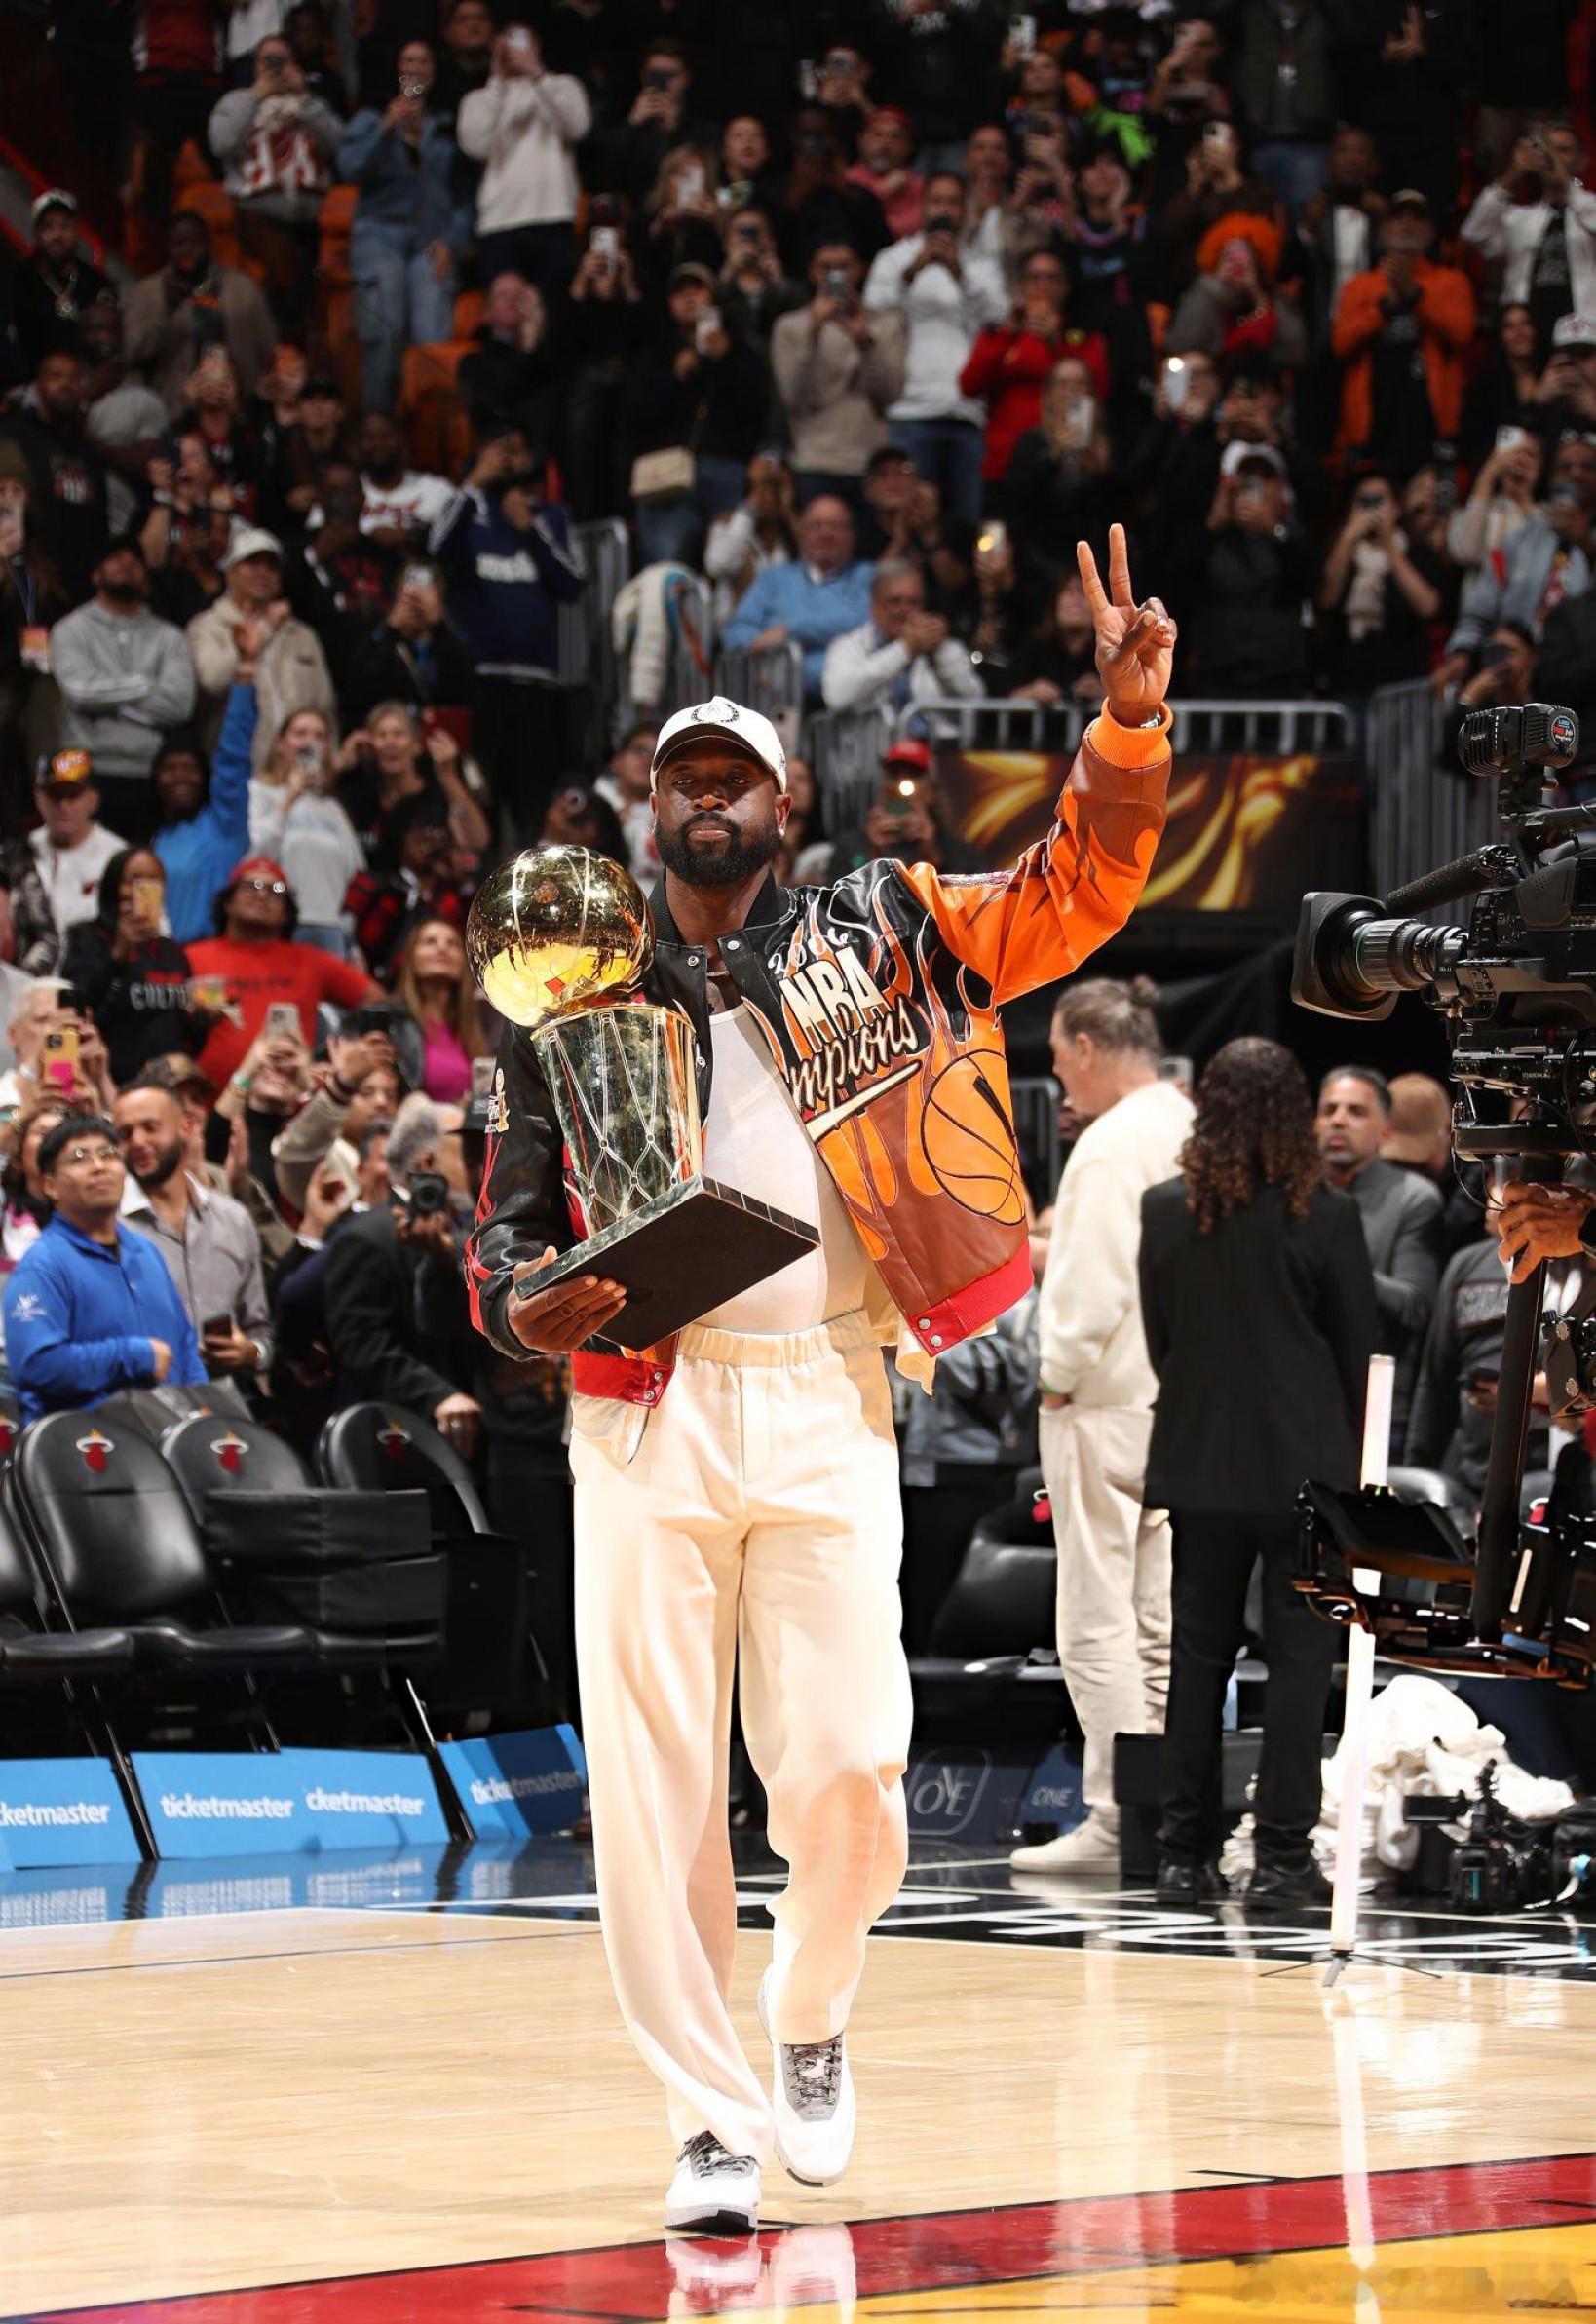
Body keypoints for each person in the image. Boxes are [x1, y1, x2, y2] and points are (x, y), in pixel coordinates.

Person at [467, 525, 1175, 2231]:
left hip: (828, 1386)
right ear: (648, 805)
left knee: (853, 1763)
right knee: (651, 1790)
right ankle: (706, 2118)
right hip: (639, 1406)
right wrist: (520, 1312)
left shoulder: (888, 925)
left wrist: (1126, 730)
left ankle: (809, 2010)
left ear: (785, 806)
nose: (707, 797)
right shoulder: (571, 983)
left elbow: (1070, 893)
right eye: (681, 776)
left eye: (736, 776)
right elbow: (501, 1225)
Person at [1139, 1039, 1377, 1908]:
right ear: (1294, 1112)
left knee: (1197, 1660)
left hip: (1199, 1466)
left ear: (1208, 1107)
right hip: (1306, 1476)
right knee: (1301, 1661)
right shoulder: (1329, 1215)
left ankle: (1183, 1856)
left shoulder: (1165, 1209)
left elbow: (1162, 1341)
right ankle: (1280, 1858)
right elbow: (1358, 1351)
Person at [1011, 978, 1194, 1876]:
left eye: (1057, 1057)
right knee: (1156, 1621)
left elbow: (1092, 1290)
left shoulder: (1111, 1143)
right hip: (1176, 1403)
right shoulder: (1186, 1122)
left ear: (1086, 1046)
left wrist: (1053, 1378)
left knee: (1095, 1620)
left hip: (1104, 1402)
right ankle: (1161, 1813)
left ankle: (1119, 1815)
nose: (1058, 1077)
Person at [3, 1113, 207, 1424]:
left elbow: (185, 1345)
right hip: (91, 1444)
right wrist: (133, 1356)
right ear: (50, 1185)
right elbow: (36, 1365)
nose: (99, 1166)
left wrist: (201, 1403)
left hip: (169, 1437)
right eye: (79, 1158)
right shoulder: (42, 1265)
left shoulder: (146, 1252)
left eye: (109, 1154)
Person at [428, 433, 583, 827]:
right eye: (498, 449)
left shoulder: (548, 517)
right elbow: (436, 549)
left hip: (538, 686)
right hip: (481, 682)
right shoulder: (465, 511)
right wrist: (473, 484)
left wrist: (530, 530)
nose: (507, 459)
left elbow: (573, 582)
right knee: (480, 798)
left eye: (516, 450)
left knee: (533, 804)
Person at [324, 1090, 481, 1445]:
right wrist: (437, 1394)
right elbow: (362, 1344)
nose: (479, 1169)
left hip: (470, 1424)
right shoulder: (365, 1238)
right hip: (395, 1434)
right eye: (467, 1157)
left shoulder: (467, 1228)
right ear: (428, 1163)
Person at [862, 171, 1007, 529]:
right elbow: (873, 311)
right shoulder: (894, 258)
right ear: (923, 207)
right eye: (937, 201)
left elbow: (998, 319)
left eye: (953, 202)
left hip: (967, 411)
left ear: (965, 210)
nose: (945, 210)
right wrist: (912, 272)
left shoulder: (981, 265)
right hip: (910, 409)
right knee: (907, 522)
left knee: (964, 526)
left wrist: (960, 273)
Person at [337, 42, 474, 413]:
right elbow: (350, 168)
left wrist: (452, 242)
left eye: (424, 60)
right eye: (408, 60)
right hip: (379, 236)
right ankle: (377, 424)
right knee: (384, 329)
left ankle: (428, 435)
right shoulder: (369, 120)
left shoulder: (448, 128)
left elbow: (465, 198)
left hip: (430, 241)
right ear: (397, 69)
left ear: (434, 71)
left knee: (431, 338)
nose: (416, 66)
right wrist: (386, 126)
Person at [1315, 1066, 1446, 1447]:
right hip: (1298, 1400)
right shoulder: (1290, 1196)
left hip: (1375, 1410)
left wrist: (1342, 1267)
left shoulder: (1413, 1198)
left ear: (1386, 1131)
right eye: (1329, 1110)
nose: (1339, 1120)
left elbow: (1416, 1306)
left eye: (1356, 1111)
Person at [115, 1077, 272, 1380]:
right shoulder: (107, 1228)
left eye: (150, 1127)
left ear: (185, 1127)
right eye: (125, 1133)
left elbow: (260, 1331)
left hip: (230, 1394)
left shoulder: (234, 1219)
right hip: (147, 1397)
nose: (137, 1141)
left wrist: (251, 1353)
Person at [185, 853, 375, 1091]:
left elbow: (378, 1002)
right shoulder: (192, 957)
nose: (262, 894)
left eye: (276, 890)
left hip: (286, 1101)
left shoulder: (312, 962)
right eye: (251, 885)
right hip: (204, 1099)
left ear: (286, 912)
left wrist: (341, 1060)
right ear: (228, 903)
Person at [49, 536, 198, 831]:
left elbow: (180, 705)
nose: (126, 565)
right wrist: (146, 684)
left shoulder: (170, 636)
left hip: (149, 771)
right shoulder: (70, 629)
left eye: (135, 561)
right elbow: (79, 692)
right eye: (115, 559)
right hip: (84, 769)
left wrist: (107, 703)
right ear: (96, 574)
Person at [1329, 192, 1477, 474]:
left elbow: (1462, 333)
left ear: (1430, 231)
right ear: (1384, 229)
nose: (1407, 224)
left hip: (1430, 423)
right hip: (1374, 423)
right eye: (1398, 217)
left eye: (1417, 217)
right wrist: (1383, 308)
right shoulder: (1359, 286)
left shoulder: (1451, 281)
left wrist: (1414, 294)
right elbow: (1341, 343)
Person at [208, 34, 342, 339]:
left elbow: (338, 145)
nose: (276, 68)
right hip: (256, 213)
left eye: (283, 60)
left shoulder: (313, 105)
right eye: (269, 61)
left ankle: (290, 341)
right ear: (256, 67)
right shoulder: (238, 101)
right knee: (289, 276)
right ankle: (287, 339)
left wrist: (305, 100)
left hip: (307, 218)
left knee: (298, 277)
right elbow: (221, 143)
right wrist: (256, 95)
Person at [457, 23, 591, 301]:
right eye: (507, 42)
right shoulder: (478, 99)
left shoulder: (564, 86)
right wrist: (497, 83)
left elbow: (578, 127)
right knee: (505, 313)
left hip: (554, 216)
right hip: (499, 221)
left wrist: (537, 75)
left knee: (554, 308)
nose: (514, 50)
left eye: (521, 41)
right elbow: (477, 146)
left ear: (536, 46)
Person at [188, 527, 336, 770]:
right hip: (235, 771)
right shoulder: (207, 626)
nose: (262, 572)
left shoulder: (302, 635)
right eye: (252, 563)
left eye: (271, 566)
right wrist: (265, 629)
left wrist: (329, 768)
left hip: (298, 772)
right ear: (230, 573)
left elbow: (325, 709)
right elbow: (213, 681)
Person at [770, 246, 906, 509]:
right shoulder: (789, 327)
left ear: (860, 270)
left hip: (868, 462)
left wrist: (865, 342)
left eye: (844, 267)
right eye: (826, 267)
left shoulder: (886, 326)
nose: (835, 275)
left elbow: (890, 395)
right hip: (813, 461)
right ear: (812, 272)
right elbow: (793, 397)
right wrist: (813, 333)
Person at [123, 211, 278, 420]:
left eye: (194, 243)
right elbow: (132, 352)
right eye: (179, 243)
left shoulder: (243, 289)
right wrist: (167, 311)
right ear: (168, 246)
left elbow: (269, 352)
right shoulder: (149, 292)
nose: (187, 251)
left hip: (237, 412)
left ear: (207, 244)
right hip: (171, 412)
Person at [719, 494, 874, 703]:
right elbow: (735, 630)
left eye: (836, 526)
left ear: (852, 535)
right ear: (801, 533)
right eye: (816, 526)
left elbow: (864, 621)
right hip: (770, 699)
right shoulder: (774, 578)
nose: (825, 534)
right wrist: (759, 646)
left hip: (843, 699)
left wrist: (789, 632)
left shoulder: (869, 577)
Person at [64, 848, 194, 1084]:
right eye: (134, 879)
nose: (143, 888)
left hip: (167, 1083)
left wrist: (201, 1016)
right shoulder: (88, 938)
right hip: (108, 1080)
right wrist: (118, 956)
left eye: (154, 880)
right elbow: (80, 1010)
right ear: (113, 885)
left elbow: (181, 1025)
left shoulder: (172, 952)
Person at [248, 706, 364, 955]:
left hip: (332, 930)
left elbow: (356, 876)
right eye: (300, 733)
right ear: (280, 743)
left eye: (319, 736)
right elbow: (254, 856)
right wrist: (288, 799)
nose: (309, 742)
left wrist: (352, 943)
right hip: (279, 926)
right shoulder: (258, 793)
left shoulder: (333, 809)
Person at [0, 349, 110, 605]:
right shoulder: (14, 435)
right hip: (25, 572)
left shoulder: (89, 451)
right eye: (55, 376)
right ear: (38, 385)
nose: (65, 384)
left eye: (73, 378)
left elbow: (100, 520)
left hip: (81, 584)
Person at [820, 556, 982, 715]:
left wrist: (940, 656)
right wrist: (905, 649)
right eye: (894, 602)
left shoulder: (943, 648)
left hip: (935, 734)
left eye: (913, 602)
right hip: (875, 734)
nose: (904, 610)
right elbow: (837, 697)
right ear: (874, 606)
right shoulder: (847, 646)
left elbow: (975, 701)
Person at [11, 191, 112, 376]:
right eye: (48, 226)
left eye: (65, 226)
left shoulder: (96, 282)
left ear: (77, 232)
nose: (57, 235)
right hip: (29, 381)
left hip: (84, 381)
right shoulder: (17, 280)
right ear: (37, 233)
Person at [28, 751, 126, 941]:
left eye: (73, 796)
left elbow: (154, 930)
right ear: (38, 798)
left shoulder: (118, 857)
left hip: (96, 958)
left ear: (94, 799)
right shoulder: (18, 855)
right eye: (55, 795)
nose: (64, 806)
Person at [391, 916, 487, 1103]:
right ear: (411, 958)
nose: (442, 948)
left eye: (452, 944)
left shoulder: (476, 1027)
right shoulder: (392, 1022)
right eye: (430, 942)